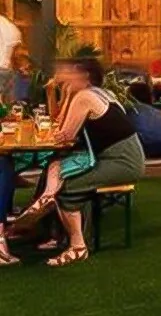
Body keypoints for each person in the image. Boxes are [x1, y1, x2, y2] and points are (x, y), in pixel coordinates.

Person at [11, 56, 146, 268]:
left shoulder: (85, 97)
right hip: (119, 157)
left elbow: (64, 133)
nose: (63, 76)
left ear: (85, 76)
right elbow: (60, 123)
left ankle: (77, 246)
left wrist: (66, 96)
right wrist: (61, 93)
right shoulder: (95, 93)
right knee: (55, 166)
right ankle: (51, 230)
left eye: (70, 73)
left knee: (67, 187)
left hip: (122, 161)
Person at [0, 8, 19, 104]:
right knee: (7, 106)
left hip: (4, 70)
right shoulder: (10, 26)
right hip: (7, 70)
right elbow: (15, 54)